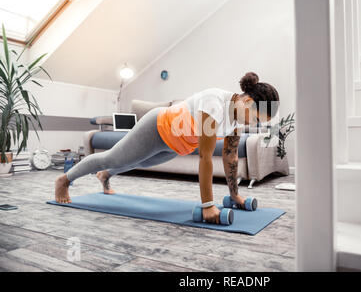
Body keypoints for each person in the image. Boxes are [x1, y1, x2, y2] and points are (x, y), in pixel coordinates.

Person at [54, 72, 280, 224]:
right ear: (248, 102)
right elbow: (205, 157)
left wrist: (235, 195)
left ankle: (104, 177)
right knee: (113, 157)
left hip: (176, 144)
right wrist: (208, 205)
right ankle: (64, 180)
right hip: (157, 128)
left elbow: (230, 157)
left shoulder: (237, 118)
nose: (254, 124)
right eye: (257, 118)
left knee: (135, 162)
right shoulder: (215, 105)